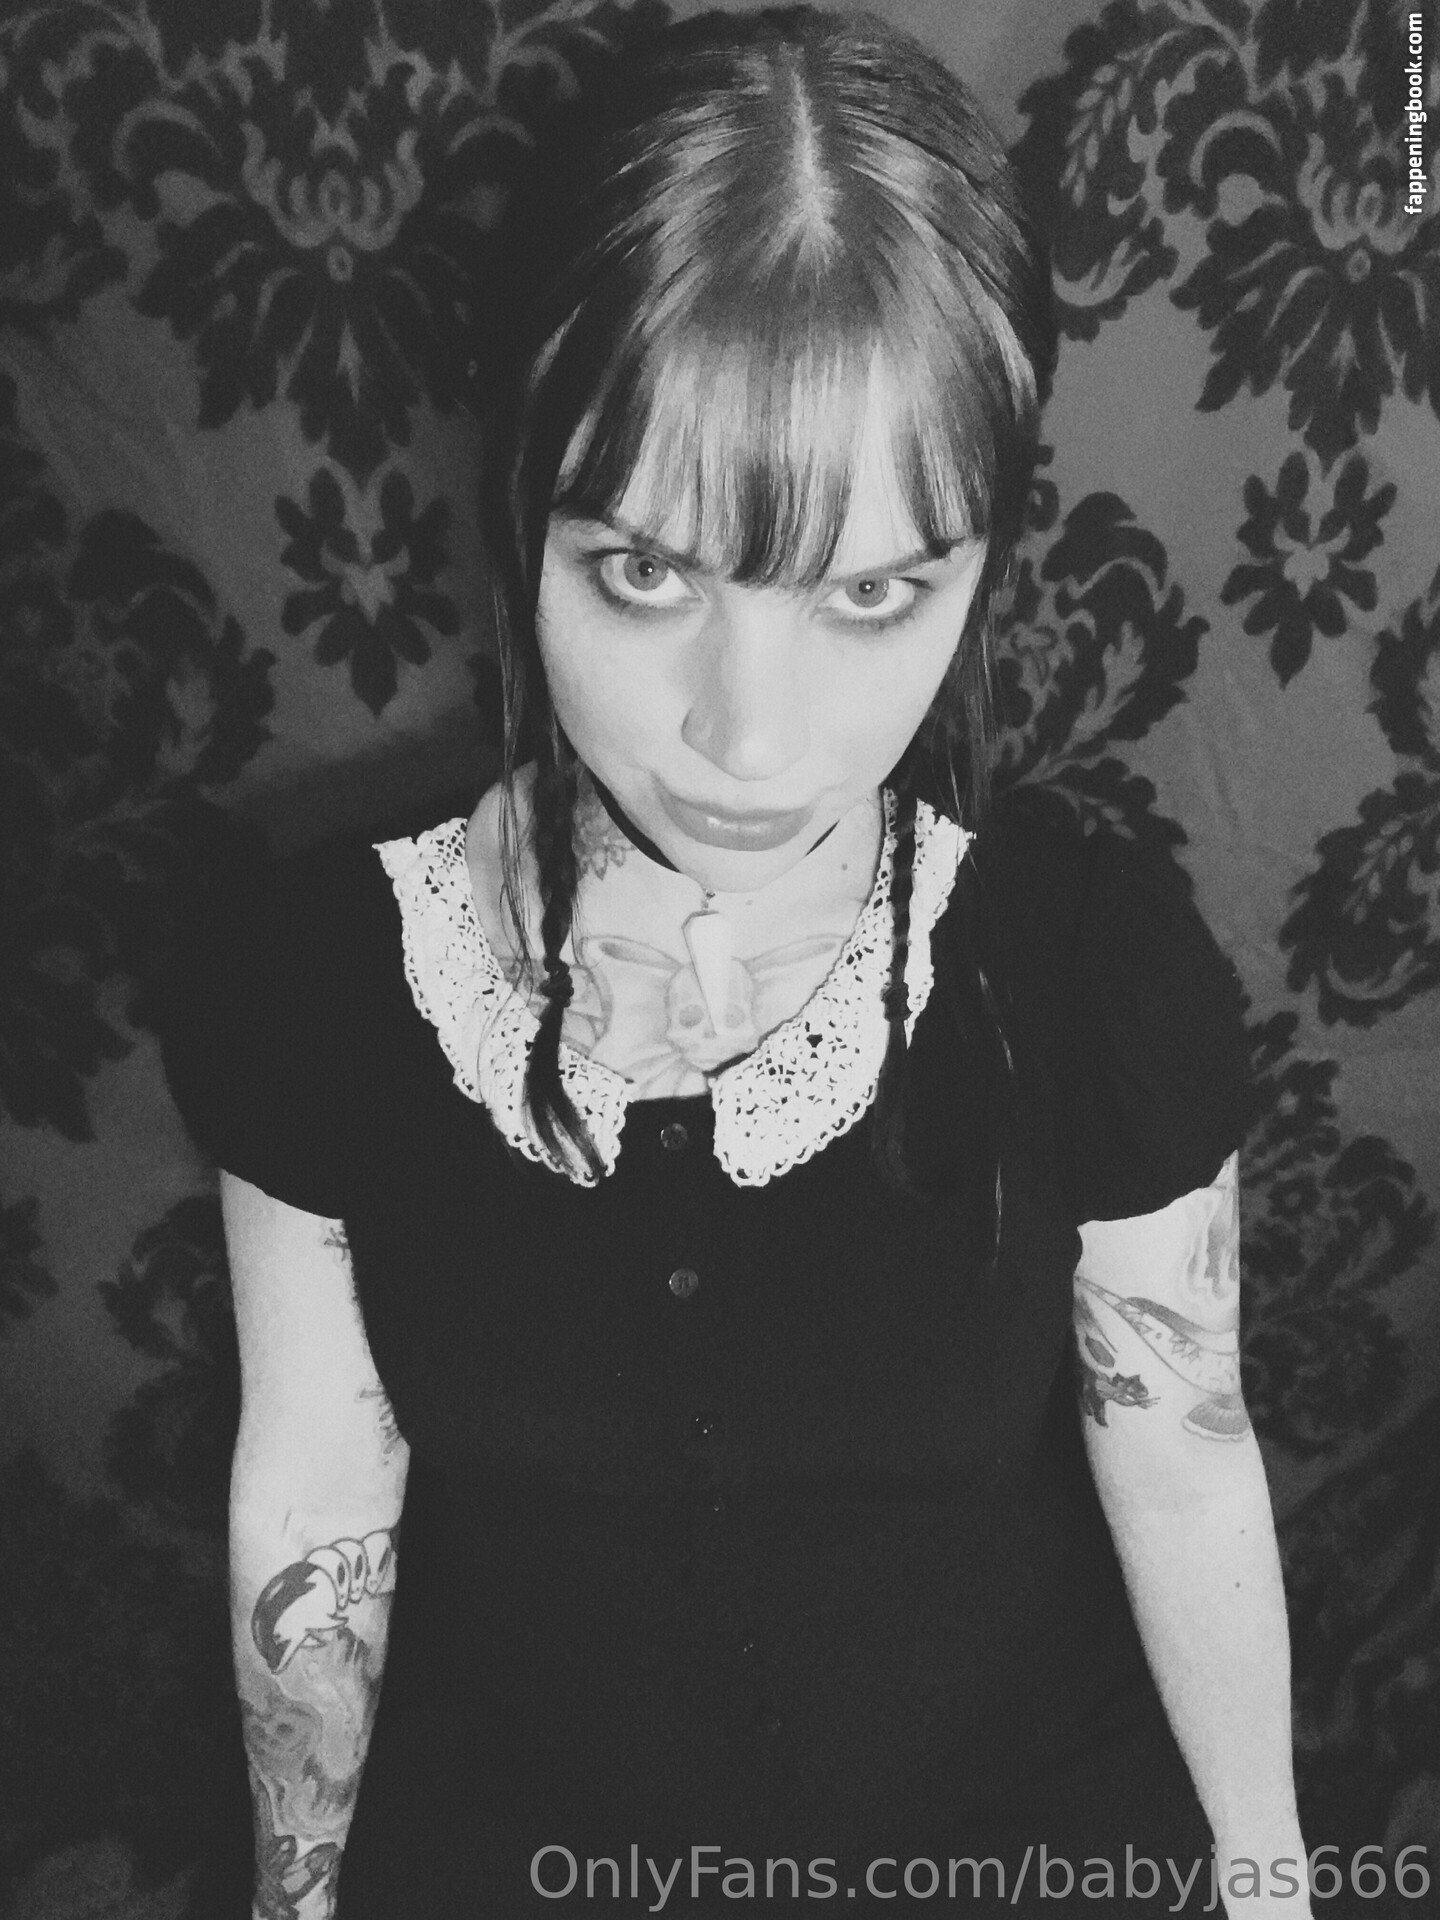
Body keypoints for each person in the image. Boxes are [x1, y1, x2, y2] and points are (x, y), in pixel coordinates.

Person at [163, 8, 1314, 1916]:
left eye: (874, 595)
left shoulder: (1085, 969)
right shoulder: (322, 981)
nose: (750, 742)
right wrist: (298, 1900)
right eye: (645, 574)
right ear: (518, 509)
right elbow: (316, 1492)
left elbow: (1184, 1457)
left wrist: (1274, 1887)